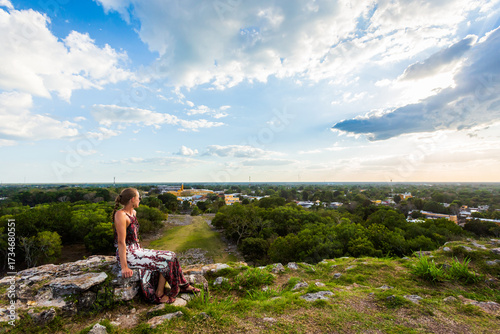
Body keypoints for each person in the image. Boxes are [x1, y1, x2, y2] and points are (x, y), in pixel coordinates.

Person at [113, 187, 200, 304]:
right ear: (133, 199)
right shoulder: (120, 215)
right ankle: (159, 294)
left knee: (171, 255)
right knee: (166, 258)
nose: (140, 200)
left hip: (137, 250)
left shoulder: (133, 213)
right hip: (129, 254)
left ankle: (183, 285)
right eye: (139, 198)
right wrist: (124, 267)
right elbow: (121, 242)